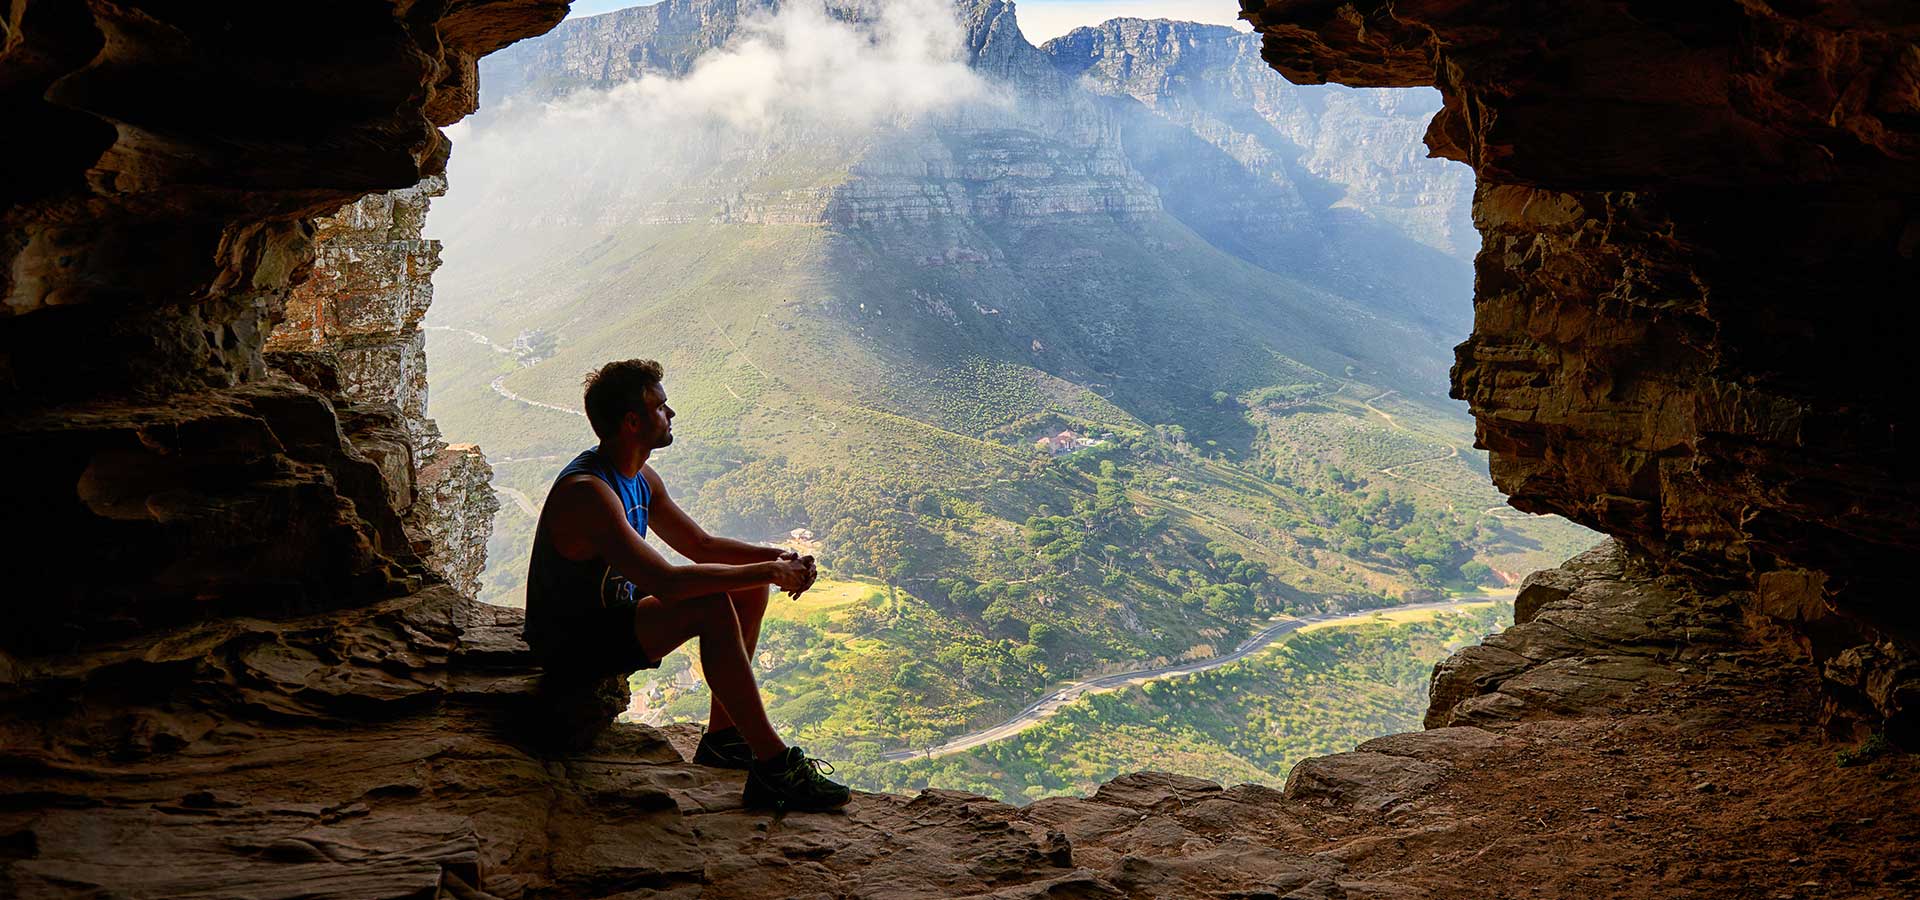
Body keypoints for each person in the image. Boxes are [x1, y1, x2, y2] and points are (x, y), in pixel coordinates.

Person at [523, 358, 851, 811]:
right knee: (712, 606)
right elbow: (668, 582)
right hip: (573, 644)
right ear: (632, 421)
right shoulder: (589, 493)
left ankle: (724, 740)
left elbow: (700, 544)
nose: (671, 413)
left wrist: (775, 559)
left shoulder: (639, 478)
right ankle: (775, 768)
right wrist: (771, 573)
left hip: (611, 622)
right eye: (661, 406)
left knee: (746, 590)